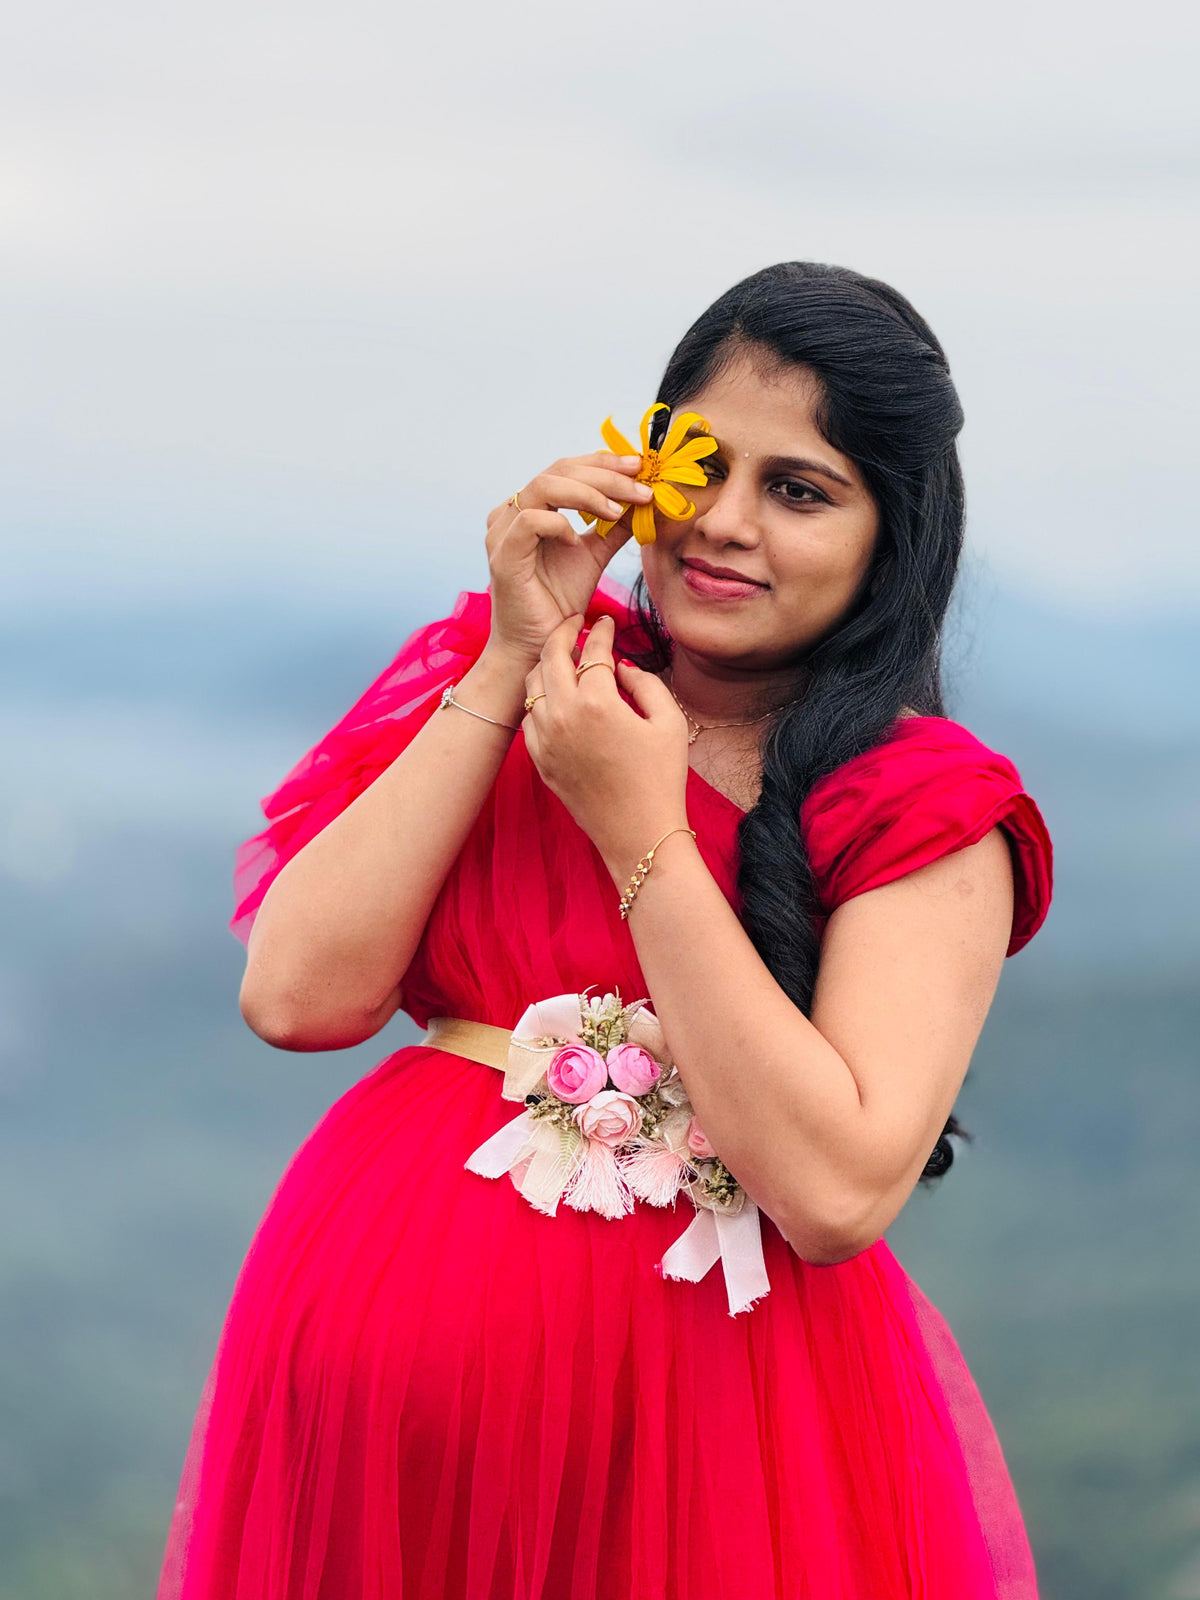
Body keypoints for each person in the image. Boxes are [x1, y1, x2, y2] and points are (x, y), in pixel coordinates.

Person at [157, 261, 1054, 1600]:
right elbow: (297, 996)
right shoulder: (518, 675)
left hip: (710, 1441)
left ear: (892, 535)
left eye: (799, 490)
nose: (721, 524)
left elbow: (835, 1190)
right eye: (696, 462)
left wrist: (644, 835)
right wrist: (518, 654)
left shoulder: (922, 807)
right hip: (362, 1426)